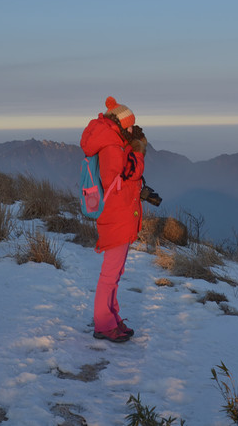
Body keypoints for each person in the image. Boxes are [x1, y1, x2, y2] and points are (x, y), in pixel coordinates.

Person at [80, 96, 147, 343]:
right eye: (129, 126)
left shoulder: (114, 142)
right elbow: (126, 173)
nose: (131, 130)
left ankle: (111, 318)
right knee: (109, 275)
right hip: (116, 215)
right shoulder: (111, 146)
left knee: (115, 273)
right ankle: (103, 324)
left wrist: (130, 146)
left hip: (120, 214)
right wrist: (138, 150)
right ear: (120, 124)